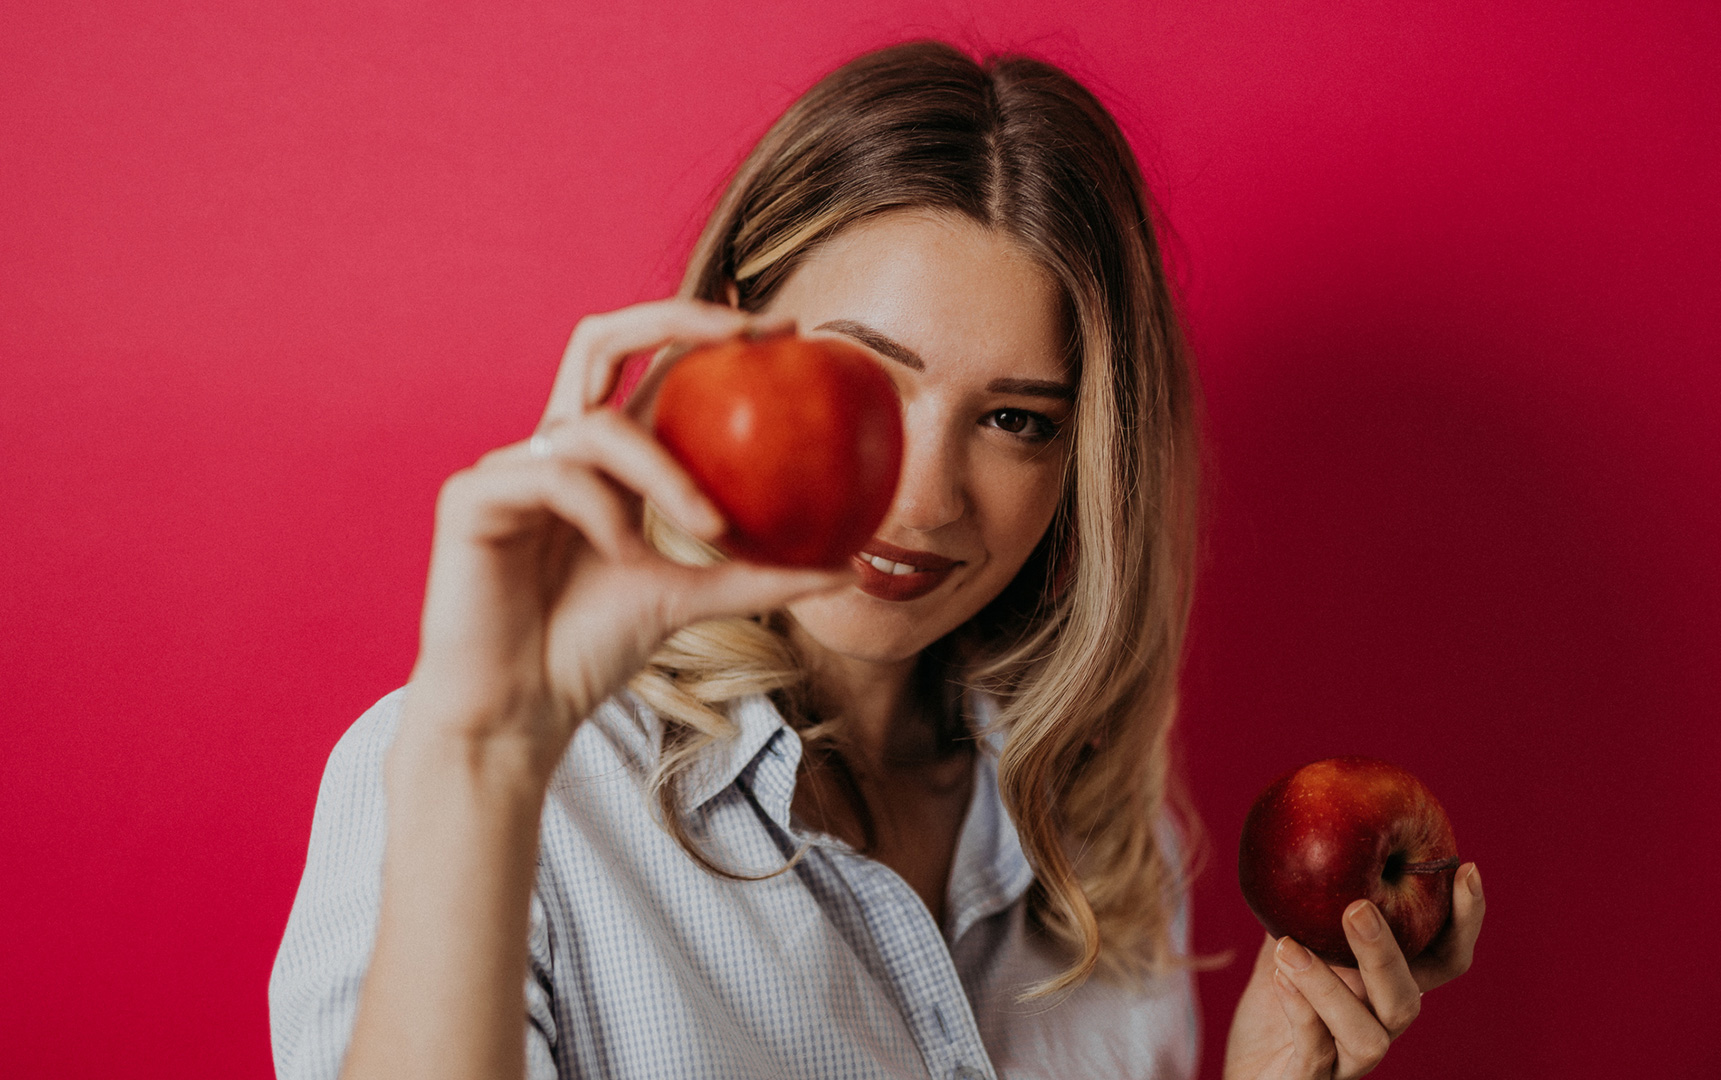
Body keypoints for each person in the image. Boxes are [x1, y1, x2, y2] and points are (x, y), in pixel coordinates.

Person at [269, 39, 1484, 1080]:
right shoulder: (472, 784)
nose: (923, 495)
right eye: (864, 378)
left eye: (1016, 420)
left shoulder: (1104, 848)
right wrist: (484, 755)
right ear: (725, 335)